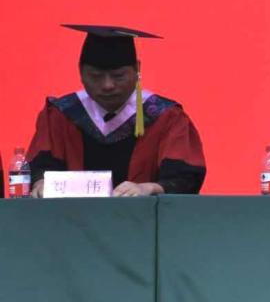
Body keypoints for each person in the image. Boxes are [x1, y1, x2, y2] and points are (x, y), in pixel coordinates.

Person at [27, 24, 205, 197]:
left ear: (137, 70)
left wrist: (149, 188)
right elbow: (40, 166)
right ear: (80, 72)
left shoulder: (166, 116)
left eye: (118, 76)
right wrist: (40, 182)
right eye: (96, 76)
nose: (107, 85)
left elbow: (184, 177)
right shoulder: (61, 114)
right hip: (71, 215)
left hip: (143, 215)